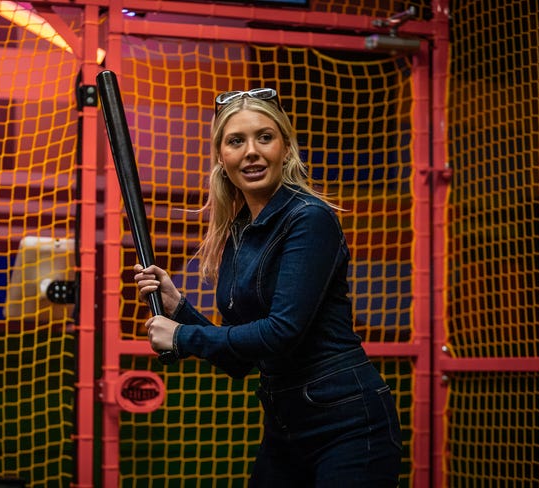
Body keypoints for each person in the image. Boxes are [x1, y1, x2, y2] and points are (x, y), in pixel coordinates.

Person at [133, 88, 402, 486]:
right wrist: (178, 307)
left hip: (347, 423)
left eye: (265, 137)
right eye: (236, 141)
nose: (252, 152)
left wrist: (183, 336)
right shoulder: (240, 232)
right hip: (285, 425)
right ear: (222, 160)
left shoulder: (309, 218)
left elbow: (282, 332)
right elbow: (241, 360)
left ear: (286, 150)